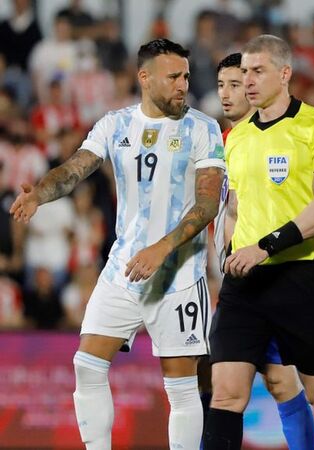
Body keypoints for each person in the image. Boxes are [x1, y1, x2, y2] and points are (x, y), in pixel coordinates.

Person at [11, 39, 225, 450]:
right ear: (144, 78)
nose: (184, 84)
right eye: (174, 77)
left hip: (178, 275)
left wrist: (162, 249)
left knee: (180, 387)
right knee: (86, 365)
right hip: (123, 268)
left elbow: (208, 202)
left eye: (185, 75)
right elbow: (75, 168)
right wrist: (39, 193)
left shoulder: (203, 127)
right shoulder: (115, 124)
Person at [204, 35, 314, 450]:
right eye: (244, 73)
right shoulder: (236, 138)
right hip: (245, 285)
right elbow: (236, 208)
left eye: (258, 71)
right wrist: (228, 253)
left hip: (301, 280)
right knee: (226, 394)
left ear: (285, 73)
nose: (248, 81)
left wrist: (265, 246)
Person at [215, 52, 314, 450]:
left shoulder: (286, 138)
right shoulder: (222, 142)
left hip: (277, 276)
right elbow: (224, 215)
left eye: (236, 84)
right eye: (222, 84)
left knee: (280, 380)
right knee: (226, 386)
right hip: (234, 278)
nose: (227, 94)